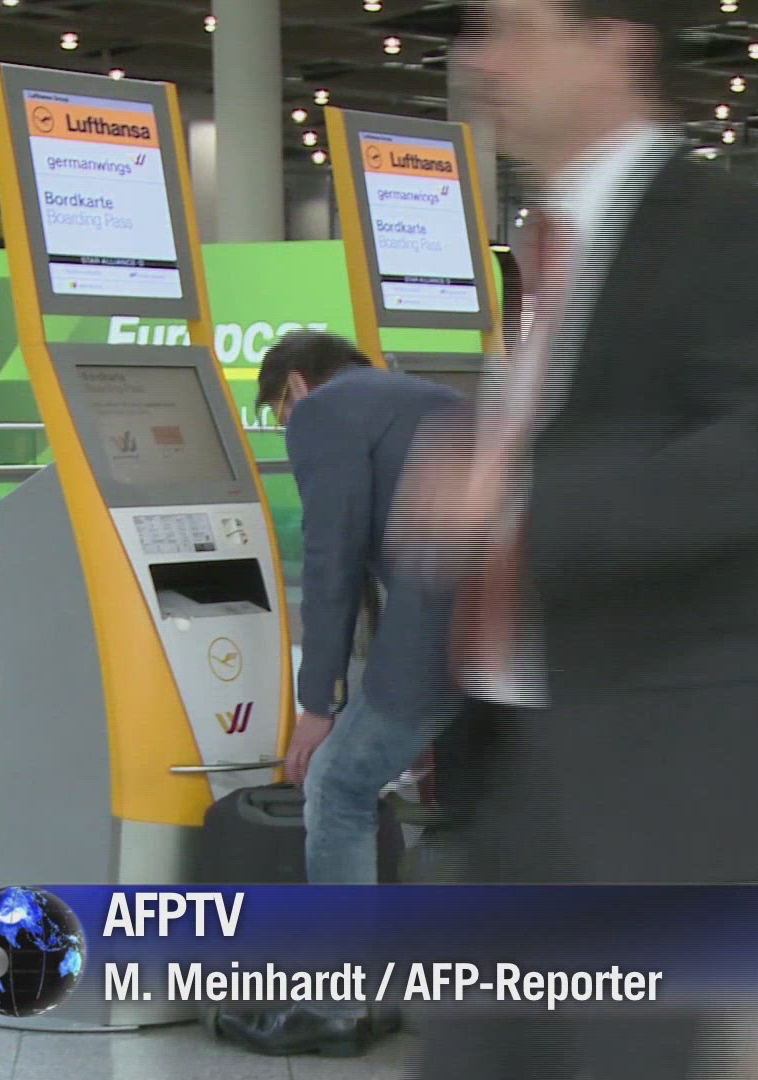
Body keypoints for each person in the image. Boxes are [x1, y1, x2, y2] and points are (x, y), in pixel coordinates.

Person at [396, 1, 758, 1074]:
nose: (482, 62)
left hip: (649, 776)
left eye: (515, 29)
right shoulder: (549, 245)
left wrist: (520, 499)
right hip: (518, 761)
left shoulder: (712, 219)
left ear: (616, 43)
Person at [210, 332, 464, 1057]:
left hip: (444, 620)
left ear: (296, 384)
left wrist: (317, 704)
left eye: (281, 414)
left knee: (337, 781)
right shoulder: (433, 400)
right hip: (509, 624)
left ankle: (334, 1004)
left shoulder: (325, 411)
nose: (289, 428)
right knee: (467, 802)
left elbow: (332, 559)